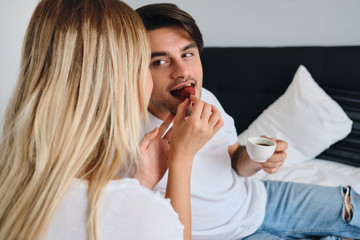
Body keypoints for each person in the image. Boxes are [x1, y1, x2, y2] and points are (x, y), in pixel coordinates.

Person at [0, 0, 223, 240]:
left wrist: (141, 184)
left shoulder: (13, 180)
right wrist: (182, 159)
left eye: (187, 54)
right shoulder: (142, 214)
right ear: (123, 80)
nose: (181, 71)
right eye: (151, 64)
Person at [136, 3, 360, 240]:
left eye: (187, 54)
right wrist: (182, 153)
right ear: (136, 69)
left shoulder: (207, 97)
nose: (182, 71)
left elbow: (233, 159)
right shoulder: (124, 133)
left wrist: (255, 157)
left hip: (261, 199)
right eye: (160, 62)